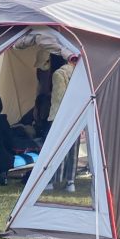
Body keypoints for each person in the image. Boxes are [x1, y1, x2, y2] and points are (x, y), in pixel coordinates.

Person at [45, 53, 78, 191]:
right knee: (73, 150)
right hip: (77, 114)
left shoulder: (59, 73)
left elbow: (59, 98)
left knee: (56, 149)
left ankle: (54, 181)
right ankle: (71, 181)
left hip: (60, 116)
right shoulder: (81, 75)